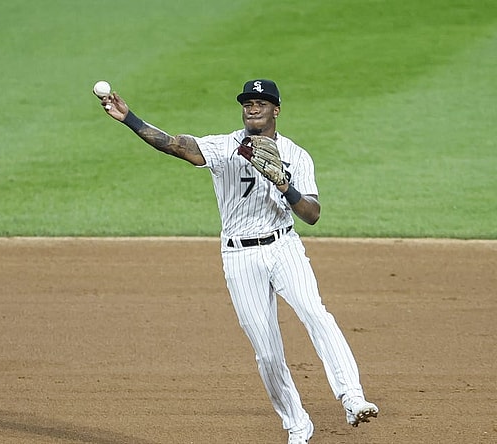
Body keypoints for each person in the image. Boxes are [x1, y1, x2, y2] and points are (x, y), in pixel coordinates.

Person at [97, 79, 378, 443]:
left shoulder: (297, 155)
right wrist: (129, 118)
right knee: (267, 350)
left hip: (284, 247)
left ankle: (352, 397)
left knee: (315, 313)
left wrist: (284, 185)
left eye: (261, 102)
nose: (253, 107)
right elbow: (176, 146)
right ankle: (297, 424)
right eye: (247, 102)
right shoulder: (224, 147)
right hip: (239, 255)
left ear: (276, 109)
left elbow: (312, 215)